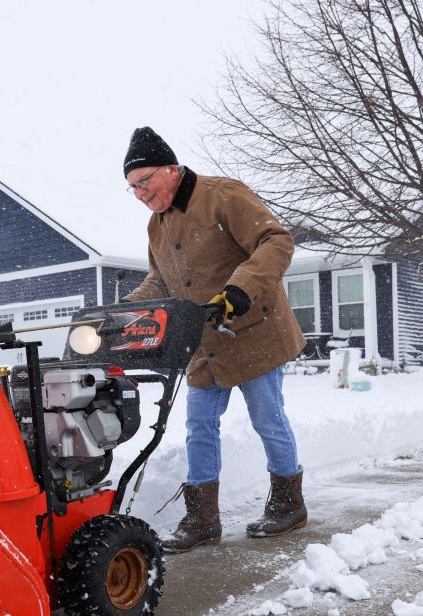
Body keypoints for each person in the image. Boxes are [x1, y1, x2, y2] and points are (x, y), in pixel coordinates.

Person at [121, 126, 308, 553]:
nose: (141, 193)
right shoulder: (156, 225)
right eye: (132, 187)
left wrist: (240, 288)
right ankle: (203, 518)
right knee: (199, 426)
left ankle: (288, 503)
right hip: (204, 345)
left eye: (145, 180)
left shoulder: (221, 194)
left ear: (171, 169)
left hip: (254, 333)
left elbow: (276, 240)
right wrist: (125, 312)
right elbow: (160, 281)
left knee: (267, 419)